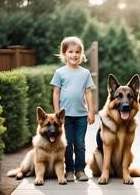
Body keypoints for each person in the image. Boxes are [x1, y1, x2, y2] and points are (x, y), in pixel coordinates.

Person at [50, 36, 95, 182]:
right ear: (64, 54)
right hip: (65, 117)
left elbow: (88, 92)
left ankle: (80, 170)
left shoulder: (85, 73)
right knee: (68, 144)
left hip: (81, 115)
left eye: (77, 52)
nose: (74, 55)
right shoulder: (60, 72)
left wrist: (91, 111)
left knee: (80, 143)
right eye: (70, 52)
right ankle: (69, 170)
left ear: (81, 54)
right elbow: (56, 93)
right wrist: (57, 114)